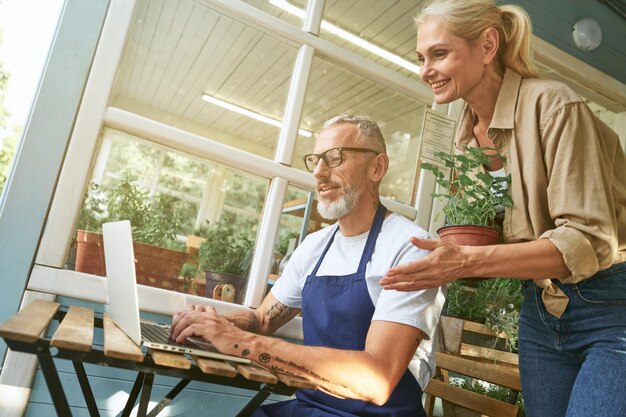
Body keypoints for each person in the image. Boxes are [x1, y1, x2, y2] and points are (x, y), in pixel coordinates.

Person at [380, 1, 626, 416]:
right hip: (541, 310)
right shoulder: (465, 139)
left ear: (488, 46)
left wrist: (464, 261)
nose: (425, 70)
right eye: (422, 58)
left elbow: (586, 241)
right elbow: (492, 231)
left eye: (439, 54)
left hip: (611, 305)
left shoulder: (555, 106)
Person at [171, 115, 445, 417]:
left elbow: (375, 380)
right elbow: (263, 320)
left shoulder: (411, 247)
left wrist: (239, 342)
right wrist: (213, 325)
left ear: (377, 167)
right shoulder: (315, 246)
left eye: (335, 158)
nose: (319, 172)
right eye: (315, 160)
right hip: (311, 407)